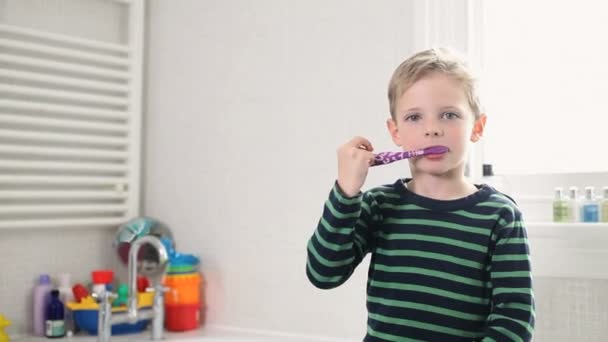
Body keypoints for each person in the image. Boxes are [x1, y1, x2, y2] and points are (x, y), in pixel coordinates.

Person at [306, 47, 534, 341]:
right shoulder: (379, 205)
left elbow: (514, 320)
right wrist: (346, 192)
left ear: (477, 127)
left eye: (449, 115)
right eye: (414, 117)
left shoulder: (500, 216)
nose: (432, 130)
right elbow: (323, 274)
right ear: (396, 132)